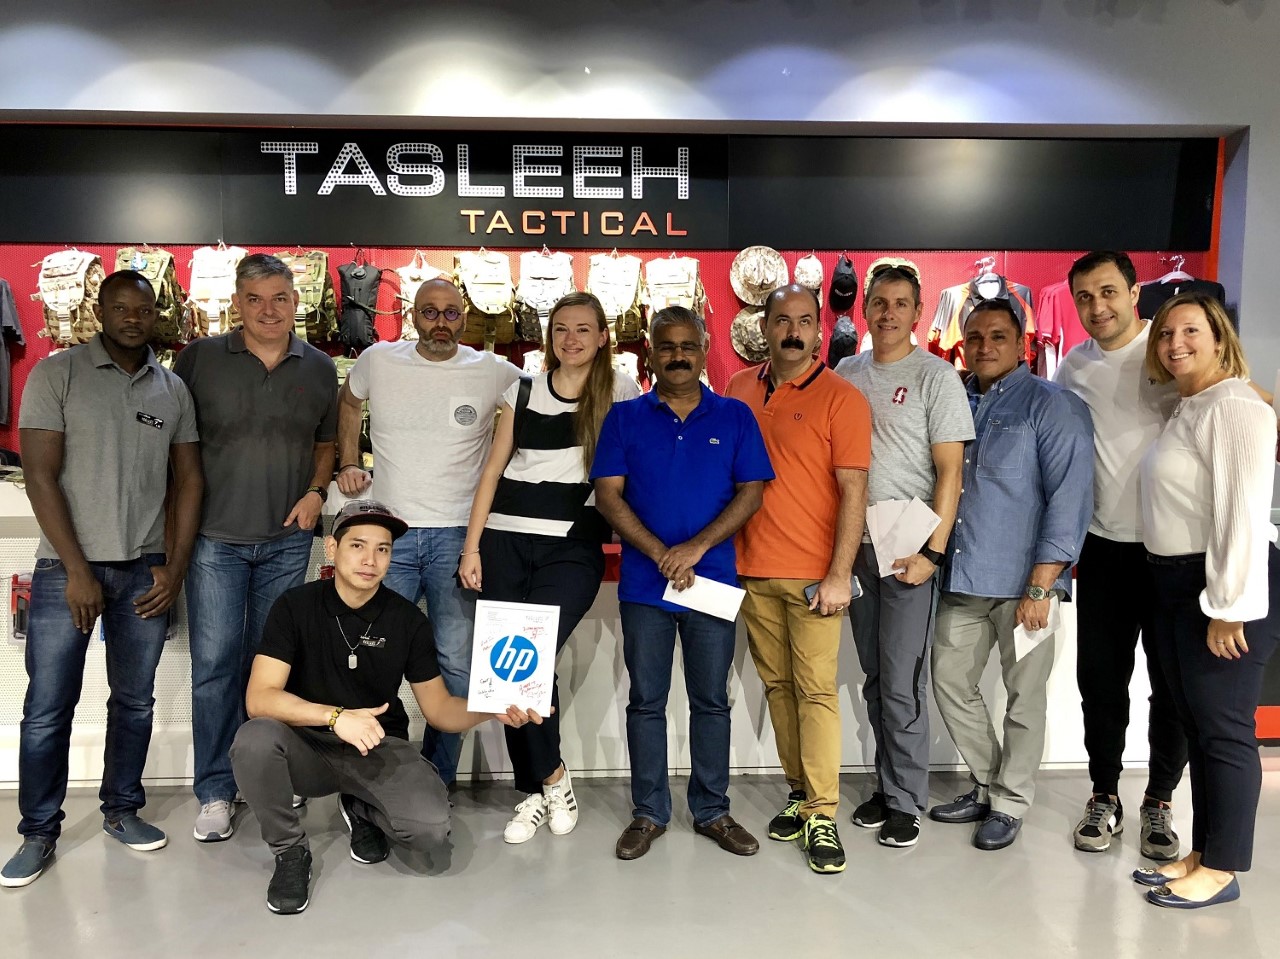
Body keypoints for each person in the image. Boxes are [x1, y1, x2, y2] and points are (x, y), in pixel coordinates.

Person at [230, 499, 542, 915]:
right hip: (309, 748)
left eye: (383, 549)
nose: (370, 560)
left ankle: (360, 806)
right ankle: (290, 852)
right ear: (332, 548)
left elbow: (439, 710)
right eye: (358, 545)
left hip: (378, 748)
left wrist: (491, 707)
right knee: (254, 740)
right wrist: (336, 718)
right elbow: (260, 698)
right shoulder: (294, 606)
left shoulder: (407, 620)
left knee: (431, 831)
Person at [1, 271, 203, 887]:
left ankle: (121, 810)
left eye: (144, 309)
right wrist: (77, 570)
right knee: (47, 706)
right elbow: (39, 475)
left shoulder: (172, 388)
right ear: (100, 310)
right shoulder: (56, 373)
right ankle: (38, 832)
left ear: (156, 314)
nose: (133, 318)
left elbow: (189, 481)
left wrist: (174, 566)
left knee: (134, 702)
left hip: (144, 570)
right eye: (121, 308)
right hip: (66, 572)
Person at [592, 305, 773, 861]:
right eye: (666, 346)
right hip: (644, 587)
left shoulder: (735, 416)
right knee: (646, 701)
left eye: (687, 346)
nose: (677, 356)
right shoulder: (624, 418)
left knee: (710, 701)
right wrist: (660, 553)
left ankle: (712, 810)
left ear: (703, 351)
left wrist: (694, 549)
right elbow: (608, 496)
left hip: (712, 581)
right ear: (650, 353)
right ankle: (648, 812)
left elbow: (751, 493)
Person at [457, 292, 638, 844]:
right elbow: (493, 471)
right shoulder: (524, 389)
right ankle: (543, 786)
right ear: (549, 335)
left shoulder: (621, 392)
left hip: (573, 546)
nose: (571, 339)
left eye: (583, 329)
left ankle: (548, 780)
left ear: (603, 337)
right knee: (512, 670)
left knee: (528, 661)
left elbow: (631, 475)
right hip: (504, 540)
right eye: (561, 329)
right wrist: (471, 547)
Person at [174, 253, 338, 843]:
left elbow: (326, 444)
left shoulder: (320, 366)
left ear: (297, 302)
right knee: (215, 668)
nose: (269, 311)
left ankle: (265, 777)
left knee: (272, 669)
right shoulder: (198, 359)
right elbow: (175, 446)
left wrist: (317, 491)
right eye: (255, 299)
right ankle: (216, 790)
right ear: (237, 303)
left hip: (287, 542)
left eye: (280, 298)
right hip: (214, 540)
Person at [337, 277, 521, 787]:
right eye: (430, 312)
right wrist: (349, 460)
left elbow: (548, 396)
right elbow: (348, 402)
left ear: (465, 317)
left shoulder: (494, 370)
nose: (441, 323)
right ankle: (376, 776)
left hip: (460, 539)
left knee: (456, 663)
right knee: (371, 657)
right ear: (411, 315)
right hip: (388, 537)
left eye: (451, 313)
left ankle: (436, 780)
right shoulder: (378, 360)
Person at [928, 300, 1093, 850]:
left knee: (1025, 699)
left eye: (997, 335)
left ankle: (1010, 802)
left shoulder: (1053, 405)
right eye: (974, 336)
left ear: (1021, 343)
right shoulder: (955, 398)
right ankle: (988, 783)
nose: (984, 346)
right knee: (949, 681)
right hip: (963, 576)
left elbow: (1070, 499)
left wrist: (1042, 585)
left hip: (1027, 584)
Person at [1134, 293, 1278, 909]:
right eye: (1166, 334)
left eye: (1191, 330)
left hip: (1218, 585)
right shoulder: (1192, 405)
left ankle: (1223, 869)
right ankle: (1203, 851)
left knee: (1224, 729)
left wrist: (1228, 604)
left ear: (1219, 337)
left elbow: (1242, 511)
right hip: (1176, 582)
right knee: (1196, 725)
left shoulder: (1236, 406)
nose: (1175, 344)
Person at [726, 284, 871, 875]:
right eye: (782, 320)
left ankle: (823, 812)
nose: (793, 331)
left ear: (819, 330)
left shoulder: (842, 398)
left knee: (815, 692)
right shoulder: (738, 387)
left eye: (805, 321)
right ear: (764, 326)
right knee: (779, 688)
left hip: (815, 577)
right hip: (751, 569)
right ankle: (798, 790)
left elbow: (854, 490)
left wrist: (839, 574)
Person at [834, 264, 973, 848]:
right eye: (879, 302)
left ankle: (907, 799)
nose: (888, 313)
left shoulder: (936, 377)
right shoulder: (846, 372)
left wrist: (932, 553)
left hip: (908, 546)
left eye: (900, 303)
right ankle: (887, 784)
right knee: (875, 675)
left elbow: (951, 471)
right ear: (865, 309)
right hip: (856, 544)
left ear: (918, 312)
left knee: (901, 681)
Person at [1054, 251, 1186, 859]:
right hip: (1104, 547)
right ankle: (1104, 794)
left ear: (1135, 293)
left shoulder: (1170, 348)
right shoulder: (1074, 366)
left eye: (1107, 291)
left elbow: (1236, 396)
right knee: (1101, 683)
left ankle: (1160, 801)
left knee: (1172, 686)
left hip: (1174, 551)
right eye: (1084, 296)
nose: (1097, 307)